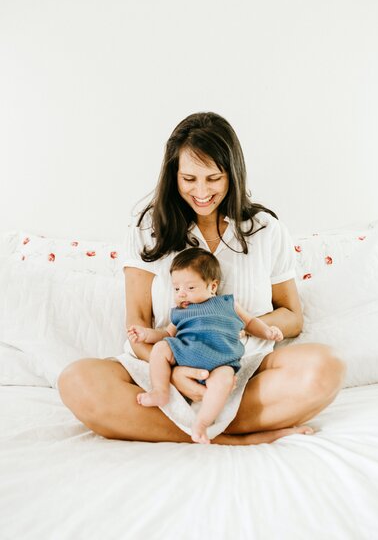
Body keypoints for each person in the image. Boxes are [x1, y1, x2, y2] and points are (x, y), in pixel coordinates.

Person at [58, 111, 346, 445]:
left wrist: (236, 326)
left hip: (243, 369)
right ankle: (236, 436)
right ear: (173, 175)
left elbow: (292, 316)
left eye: (214, 178)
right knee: (76, 381)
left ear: (232, 175)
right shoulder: (148, 226)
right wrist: (171, 372)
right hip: (168, 366)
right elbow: (137, 324)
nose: (202, 191)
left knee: (327, 367)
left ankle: (200, 426)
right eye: (189, 179)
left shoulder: (266, 229)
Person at [128, 247, 284, 444]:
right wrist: (145, 334)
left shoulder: (227, 303)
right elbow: (166, 334)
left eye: (190, 288)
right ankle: (160, 391)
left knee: (225, 380)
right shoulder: (179, 313)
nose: (182, 294)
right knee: (161, 348)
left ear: (212, 287)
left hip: (221, 359)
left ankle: (202, 424)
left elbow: (251, 323)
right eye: (177, 289)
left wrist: (268, 332)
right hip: (186, 352)